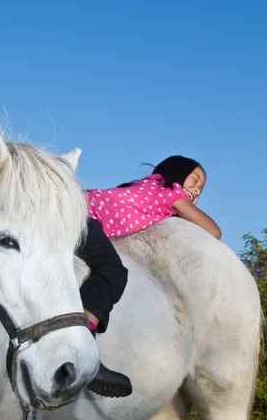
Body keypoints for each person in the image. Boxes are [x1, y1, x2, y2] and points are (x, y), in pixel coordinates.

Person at [80, 155, 221, 399]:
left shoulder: (145, 188)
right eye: (195, 180)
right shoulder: (170, 193)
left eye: (200, 189)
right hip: (84, 218)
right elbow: (213, 232)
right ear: (175, 174)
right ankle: (83, 347)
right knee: (112, 271)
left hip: (76, 205)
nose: (196, 190)